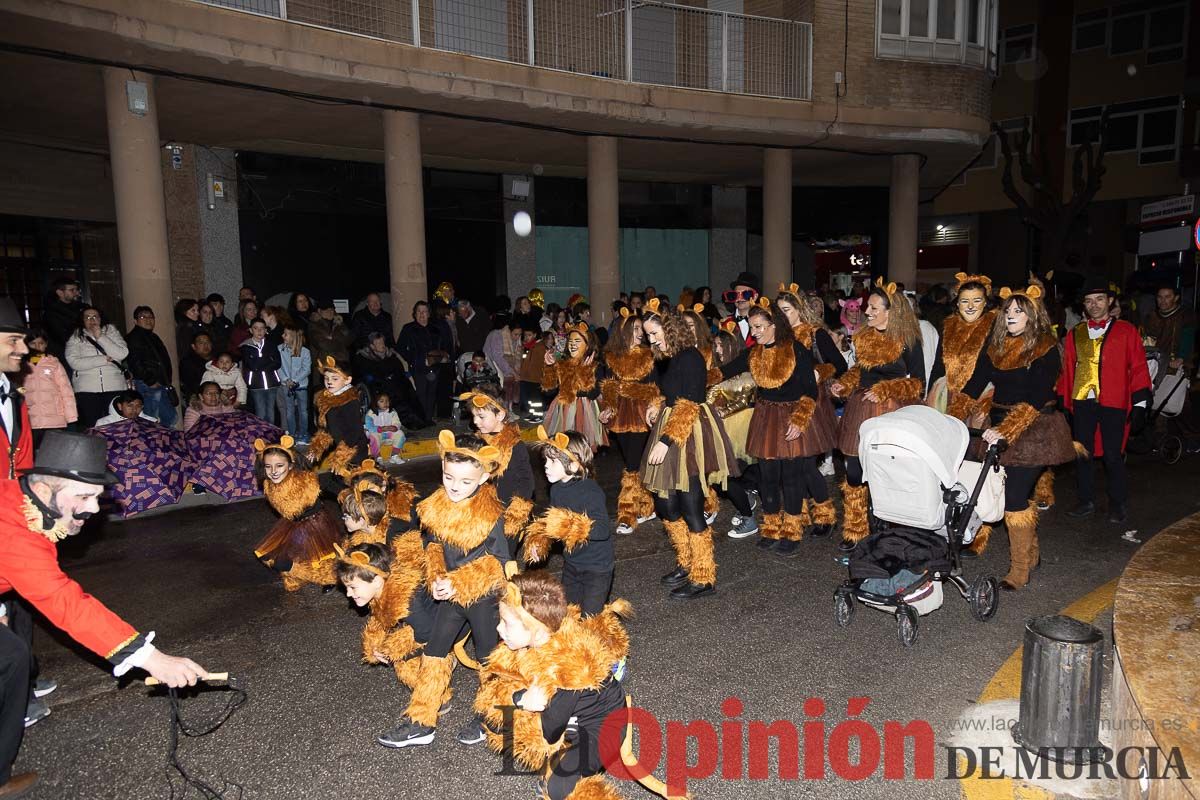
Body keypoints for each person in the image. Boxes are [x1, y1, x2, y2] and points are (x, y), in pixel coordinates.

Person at [0, 431, 208, 796]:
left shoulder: (17, 497)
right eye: (83, 496)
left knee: (11, 656)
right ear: (46, 488)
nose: (94, 509)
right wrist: (151, 658)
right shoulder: (15, 532)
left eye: (97, 497)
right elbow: (65, 602)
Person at [376, 431, 509, 749]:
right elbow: (434, 545)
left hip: (482, 597)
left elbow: (500, 564)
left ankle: (494, 718)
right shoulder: (437, 504)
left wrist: (459, 582)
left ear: (484, 476)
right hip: (450, 593)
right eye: (449, 477)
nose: (454, 486)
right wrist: (436, 577)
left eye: (465, 481)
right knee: (434, 654)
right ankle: (421, 722)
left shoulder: (490, 515)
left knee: (490, 659)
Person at [957, 284, 1076, 590]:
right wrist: (950, 415)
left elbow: (1037, 400)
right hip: (998, 424)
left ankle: (1020, 569)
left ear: (1032, 316)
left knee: (1014, 496)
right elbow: (975, 383)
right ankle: (1032, 552)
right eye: (1008, 310)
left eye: (1018, 311)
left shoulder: (1045, 347)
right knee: (1011, 494)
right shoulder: (996, 344)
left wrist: (1007, 430)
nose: (1010, 315)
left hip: (1035, 428)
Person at [475, 572, 631, 800]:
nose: (499, 629)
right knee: (498, 718)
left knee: (559, 787)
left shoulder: (570, 669)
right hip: (571, 715)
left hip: (601, 726)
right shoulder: (545, 634)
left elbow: (549, 733)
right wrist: (520, 699)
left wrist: (523, 702)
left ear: (536, 630)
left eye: (506, 623)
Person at [640, 299, 737, 600]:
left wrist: (666, 441)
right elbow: (668, 393)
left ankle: (704, 575)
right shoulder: (666, 357)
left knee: (690, 504)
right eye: (648, 335)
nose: (652, 340)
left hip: (687, 433)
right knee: (665, 505)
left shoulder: (691, 357)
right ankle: (685, 561)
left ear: (669, 329)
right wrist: (656, 406)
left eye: (655, 334)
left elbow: (690, 403)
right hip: (669, 424)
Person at [830, 279, 924, 558]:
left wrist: (886, 389)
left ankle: (889, 528)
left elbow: (918, 383)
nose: (866, 311)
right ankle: (855, 528)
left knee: (888, 473)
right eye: (867, 306)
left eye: (872, 307)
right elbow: (860, 372)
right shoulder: (863, 337)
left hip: (892, 411)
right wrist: (844, 384)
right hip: (861, 410)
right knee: (854, 470)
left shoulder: (909, 340)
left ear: (890, 311)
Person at [717, 298, 818, 557]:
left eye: (760, 326)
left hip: (792, 416)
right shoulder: (755, 353)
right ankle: (772, 527)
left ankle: (793, 531)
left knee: (792, 477)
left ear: (775, 324)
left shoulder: (796, 350)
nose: (755, 332)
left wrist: (799, 420)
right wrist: (695, 376)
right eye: (752, 327)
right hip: (766, 417)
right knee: (768, 476)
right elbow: (725, 371)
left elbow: (810, 390)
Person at [1058, 277, 1152, 523]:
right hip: (1082, 401)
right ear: (1084, 306)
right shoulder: (1074, 333)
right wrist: (1063, 400)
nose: (1095, 305)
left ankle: (1118, 503)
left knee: (1112, 455)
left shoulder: (1127, 331)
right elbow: (1068, 368)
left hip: (1113, 401)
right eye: (1089, 301)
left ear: (1110, 301)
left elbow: (1139, 367)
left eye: (1100, 299)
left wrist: (1141, 403)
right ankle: (1085, 500)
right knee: (1082, 454)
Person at [775, 284, 848, 539]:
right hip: (784, 404)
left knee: (805, 462)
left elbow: (839, 363)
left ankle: (826, 514)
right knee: (790, 463)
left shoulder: (816, 334)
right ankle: (801, 512)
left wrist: (819, 372)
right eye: (778, 311)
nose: (782, 316)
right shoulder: (778, 337)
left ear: (799, 309)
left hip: (811, 404)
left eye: (786, 310)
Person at [524, 430, 614, 616]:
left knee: (591, 620)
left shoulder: (590, 491)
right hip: (572, 564)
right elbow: (552, 521)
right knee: (568, 615)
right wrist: (539, 542)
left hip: (597, 568)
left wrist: (570, 525)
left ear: (573, 466)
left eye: (553, 461)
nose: (546, 466)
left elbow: (603, 529)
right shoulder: (556, 489)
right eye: (545, 460)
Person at [336, 539, 433, 694]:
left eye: (352, 587)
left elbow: (431, 636)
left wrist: (394, 654)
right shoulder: (381, 591)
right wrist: (375, 645)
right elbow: (381, 620)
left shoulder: (409, 601)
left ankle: (437, 696)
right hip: (423, 626)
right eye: (346, 587)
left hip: (440, 629)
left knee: (406, 667)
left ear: (377, 581)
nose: (348, 594)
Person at [252, 435, 342, 591]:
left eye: (279, 465)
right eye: (268, 466)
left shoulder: (304, 480)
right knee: (273, 556)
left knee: (319, 557)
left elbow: (327, 482)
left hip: (315, 523)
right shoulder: (268, 485)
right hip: (291, 523)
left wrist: (345, 495)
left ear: (291, 465)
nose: (273, 471)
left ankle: (330, 578)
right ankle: (297, 575)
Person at [599, 310, 660, 536]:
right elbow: (609, 388)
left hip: (643, 415)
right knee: (635, 462)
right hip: (621, 417)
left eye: (640, 330)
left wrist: (632, 391)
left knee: (633, 465)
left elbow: (655, 388)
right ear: (623, 332)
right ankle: (646, 506)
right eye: (635, 330)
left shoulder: (649, 355)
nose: (640, 334)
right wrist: (607, 408)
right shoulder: (612, 358)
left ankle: (628, 513)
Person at [463, 387, 534, 545]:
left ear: (500, 415)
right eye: (474, 416)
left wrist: (517, 512)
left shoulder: (514, 446)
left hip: (506, 512)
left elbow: (526, 480)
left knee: (503, 557)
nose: (475, 421)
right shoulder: (477, 442)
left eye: (481, 416)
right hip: (482, 511)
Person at [541, 323, 607, 451]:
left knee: (581, 448)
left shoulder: (595, 366)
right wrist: (550, 368)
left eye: (577, 341)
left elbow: (593, 393)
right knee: (565, 447)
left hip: (585, 412)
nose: (572, 344)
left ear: (587, 345)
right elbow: (550, 391)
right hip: (563, 410)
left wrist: (584, 372)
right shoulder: (563, 365)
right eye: (570, 341)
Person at [64, 306, 130, 431]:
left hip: (114, 386)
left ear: (101, 318)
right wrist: (103, 360)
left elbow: (122, 353)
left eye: (95, 316)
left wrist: (100, 337)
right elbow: (74, 362)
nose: (92, 320)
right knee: (92, 426)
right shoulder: (76, 336)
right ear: (82, 320)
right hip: (87, 390)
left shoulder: (111, 331)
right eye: (87, 317)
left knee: (116, 426)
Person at [306, 356, 369, 472]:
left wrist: (341, 456)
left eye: (334, 379)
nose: (329, 382)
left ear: (347, 380)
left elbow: (355, 431)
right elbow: (328, 430)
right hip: (340, 448)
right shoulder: (327, 400)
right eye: (326, 378)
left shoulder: (349, 401)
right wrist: (317, 448)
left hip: (355, 451)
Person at [353, 332, 425, 430]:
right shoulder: (364, 357)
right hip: (377, 384)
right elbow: (364, 373)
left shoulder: (390, 355)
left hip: (393, 380)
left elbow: (399, 369)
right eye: (378, 343)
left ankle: (420, 418)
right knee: (394, 391)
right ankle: (409, 420)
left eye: (382, 342)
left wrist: (397, 376)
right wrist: (383, 377)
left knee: (407, 386)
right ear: (372, 346)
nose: (382, 345)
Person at [20, 329, 76, 451]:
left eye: (40, 343)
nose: (37, 346)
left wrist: (71, 416)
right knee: (33, 452)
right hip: (32, 418)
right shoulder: (21, 365)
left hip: (54, 418)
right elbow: (19, 389)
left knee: (53, 452)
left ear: (45, 345)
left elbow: (66, 390)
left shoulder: (54, 363)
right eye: (33, 344)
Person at [397, 301, 452, 424]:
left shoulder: (435, 329)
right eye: (419, 311)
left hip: (435, 366)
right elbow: (400, 347)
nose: (422, 314)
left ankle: (428, 418)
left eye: (424, 311)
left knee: (432, 393)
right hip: (418, 367)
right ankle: (420, 419)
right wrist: (415, 359)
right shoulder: (408, 328)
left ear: (428, 314)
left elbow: (443, 346)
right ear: (414, 314)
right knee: (421, 393)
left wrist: (442, 356)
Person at [125, 305, 177, 428]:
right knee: (149, 418)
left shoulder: (152, 337)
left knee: (169, 417)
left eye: (151, 317)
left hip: (160, 382)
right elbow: (135, 362)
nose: (148, 320)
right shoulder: (134, 337)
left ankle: (164, 442)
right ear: (135, 321)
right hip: (148, 384)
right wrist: (150, 380)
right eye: (143, 317)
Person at [1141, 284, 1194, 382]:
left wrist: (1181, 358)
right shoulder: (1151, 317)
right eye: (1160, 297)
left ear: (1176, 298)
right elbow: (1146, 340)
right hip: (1154, 365)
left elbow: (1188, 339)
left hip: (1175, 367)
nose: (1163, 301)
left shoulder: (1185, 316)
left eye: (1167, 297)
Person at [240, 318, 281, 424]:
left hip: (272, 383)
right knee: (261, 413)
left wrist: (260, 363)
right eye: (256, 328)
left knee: (271, 413)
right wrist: (268, 360)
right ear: (250, 330)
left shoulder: (271, 344)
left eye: (262, 328)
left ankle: (271, 436)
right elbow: (252, 365)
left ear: (266, 330)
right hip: (256, 384)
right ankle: (262, 437)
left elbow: (277, 362)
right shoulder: (246, 346)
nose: (259, 331)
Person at [277, 325, 312, 444]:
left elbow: (306, 369)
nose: (283, 336)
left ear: (293, 337)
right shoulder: (280, 349)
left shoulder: (305, 352)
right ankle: (291, 435)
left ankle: (303, 434)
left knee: (303, 411)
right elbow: (278, 367)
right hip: (286, 385)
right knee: (289, 411)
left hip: (301, 385)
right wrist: (287, 380)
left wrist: (295, 380)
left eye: (285, 334)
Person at [40, 278, 85, 364]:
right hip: (62, 356)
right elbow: (62, 337)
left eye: (77, 290)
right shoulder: (51, 313)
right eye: (72, 290)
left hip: (80, 352)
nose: (77, 293)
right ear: (60, 293)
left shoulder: (80, 307)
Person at [721, 271, 761, 345]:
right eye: (736, 294)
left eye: (746, 294)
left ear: (755, 297)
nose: (740, 298)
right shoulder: (725, 323)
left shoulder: (764, 323)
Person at [365, 393, 406, 464]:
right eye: (382, 401)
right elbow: (369, 426)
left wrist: (395, 427)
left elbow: (397, 421)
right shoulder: (371, 413)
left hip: (389, 434)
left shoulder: (392, 411)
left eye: (387, 401)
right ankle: (377, 457)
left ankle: (394, 455)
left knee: (400, 434)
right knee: (373, 436)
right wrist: (380, 429)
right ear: (375, 403)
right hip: (378, 435)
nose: (385, 403)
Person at [179, 332, 214, 404]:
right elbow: (190, 384)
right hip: (199, 398)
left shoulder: (219, 360)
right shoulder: (188, 362)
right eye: (201, 343)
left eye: (207, 342)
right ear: (193, 346)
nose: (205, 345)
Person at [172, 299, 203, 368]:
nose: (197, 313)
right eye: (193, 310)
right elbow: (185, 351)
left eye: (197, 310)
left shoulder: (191, 326)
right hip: (192, 365)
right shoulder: (186, 328)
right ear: (184, 312)